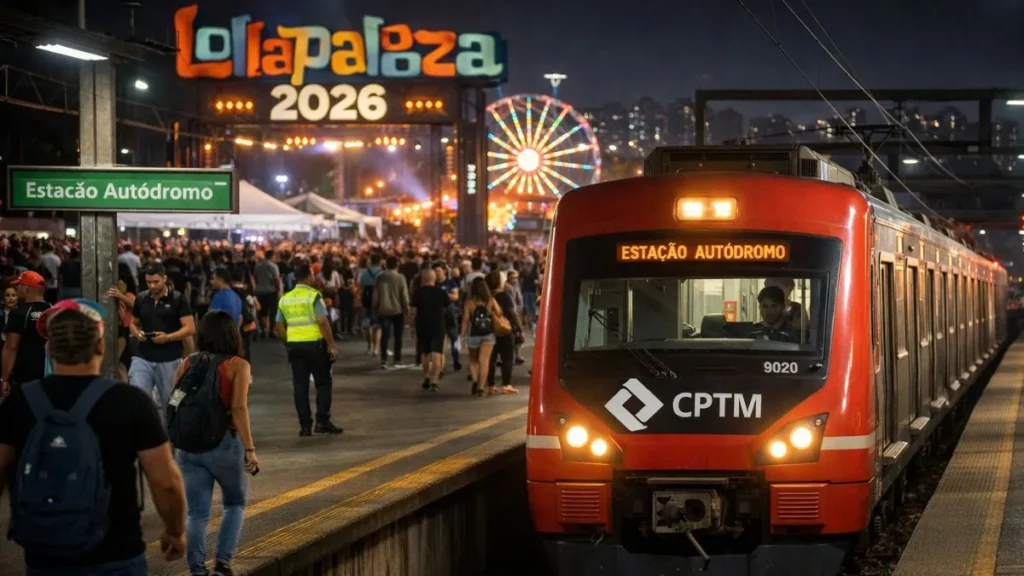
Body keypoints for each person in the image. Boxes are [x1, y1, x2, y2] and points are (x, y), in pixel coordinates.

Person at [0, 300, 187, 576]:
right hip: (116, 554)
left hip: (44, 558)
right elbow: (166, 482)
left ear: (50, 349)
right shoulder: (130, 402)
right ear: (100, 347)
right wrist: (174, 531)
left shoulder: (20, 402)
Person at [171, 311, 258, 576]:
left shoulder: (187, 363)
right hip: (223, 446)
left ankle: (197, 570)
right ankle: (222, 564)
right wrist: (250, 449)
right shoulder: (238, 365)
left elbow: (174, 402)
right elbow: (238, 409)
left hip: (187, 447)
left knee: (197, 513)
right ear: (232, 334)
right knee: (235, 504)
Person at [275, 264, 343, 436]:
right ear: (308, 277)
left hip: (295, 347)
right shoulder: (314, 296)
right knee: (323, 383)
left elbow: (279, 327)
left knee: (300, 386)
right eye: (313, 274)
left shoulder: (285, 299)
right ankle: (322, 421)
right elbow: (322, 322)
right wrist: (331, 345)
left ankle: (305, 425)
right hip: (315, 345)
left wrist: (288, 342)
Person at [130, 263, 196, 423]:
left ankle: (171, 440)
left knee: (171, 403)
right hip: (143, 358)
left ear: (164, 278)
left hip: (170, 359)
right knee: (138, 398)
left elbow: (190, 328)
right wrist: (136, 333)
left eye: (156, 282)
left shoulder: (178, 299)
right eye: (149, 282)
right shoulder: (141, 298)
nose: (152, 286)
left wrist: (168, 337)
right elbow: (133, 323)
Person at [1, 271, 52, 396]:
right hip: (50, 375)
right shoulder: (54, 310)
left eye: (19, 285)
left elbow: (11, 347)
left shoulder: (19, 313)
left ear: (27, 288)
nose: (17, 289)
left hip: (25, 377)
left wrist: (4, 379)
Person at [410, 268, 450, 391]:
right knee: (437, 353)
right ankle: (434, 380)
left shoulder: (418, 293)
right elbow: (447, 307)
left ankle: (426, 376)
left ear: (422, 279)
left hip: (422, 324)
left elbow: (412, 311)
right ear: (434, 278)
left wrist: (411, 325)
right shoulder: (441, 292)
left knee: (425, 352)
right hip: (438, 325)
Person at [461, 277, 499, 397]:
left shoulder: (469, 302)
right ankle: (481, 387)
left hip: (474, 334)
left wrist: (462, 335)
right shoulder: (491, 300)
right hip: (488, 334)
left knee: (473, 360)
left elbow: (466, 320)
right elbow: (499, 312)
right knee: (484, 361)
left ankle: (475, 380)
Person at [485, 271, 521, 395]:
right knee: (507, 358)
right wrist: (520, 328)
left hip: (490, 331)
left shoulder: (487, 297)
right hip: (505, 330)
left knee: (491, 359)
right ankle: (506, 384)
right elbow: (513, 313)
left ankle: (491, 385)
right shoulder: (505, 296)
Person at [373, 255, 410, 369]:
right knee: (398, 335)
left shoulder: (380, 278)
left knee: (385, 335)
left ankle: (383, 359)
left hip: (383, 310)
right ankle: (397, 359)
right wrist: (407, 309)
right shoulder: (400, 278)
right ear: (397, 265)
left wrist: (375, 309)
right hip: (397, 310)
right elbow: (404, 296)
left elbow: (375, 296)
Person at [359, 253, 384, 357]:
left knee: (367, 323)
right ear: (380, 261)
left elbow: (361, 286)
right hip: (378, 300)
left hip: (366, 299)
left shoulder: (364, 273)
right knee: (377, 325)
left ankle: (369, 345)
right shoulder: (382, 273)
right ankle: (376, 348)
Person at [253, 250, 281, 338]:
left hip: (260, 291)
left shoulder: (258, 266)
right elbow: (276, 279)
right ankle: (271, 331)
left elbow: (255, 278)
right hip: (271, 291)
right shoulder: (273, 266)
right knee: (273, 312)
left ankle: (264, 330)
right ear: (272, 256)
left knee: (262, 312)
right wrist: (279, 289)